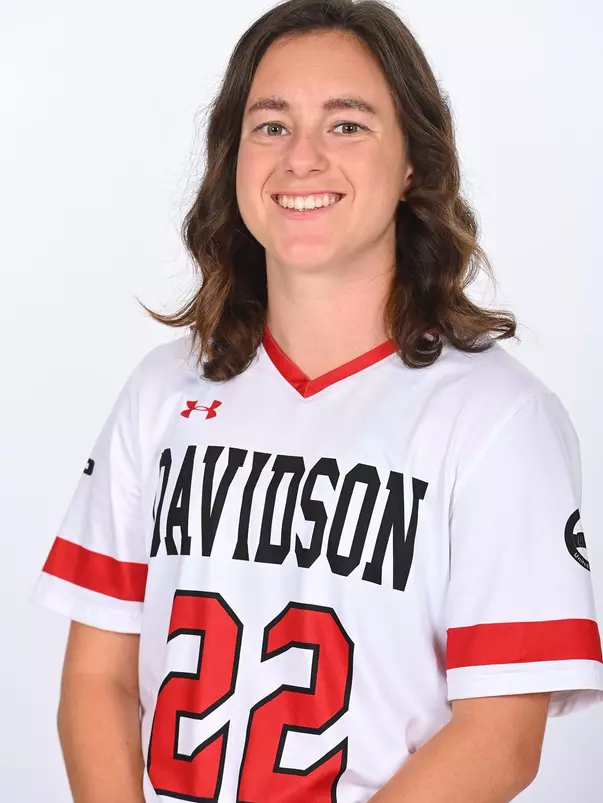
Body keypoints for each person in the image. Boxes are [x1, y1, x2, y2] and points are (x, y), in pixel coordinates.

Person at [32, 1, 603, 801]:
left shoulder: (496, 418)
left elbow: (500, 738)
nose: (301, 157)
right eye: (270, 126)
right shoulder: (163, 391)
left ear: (413, 163)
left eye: (346, 126)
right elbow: (97, 677)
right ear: (232, 156)